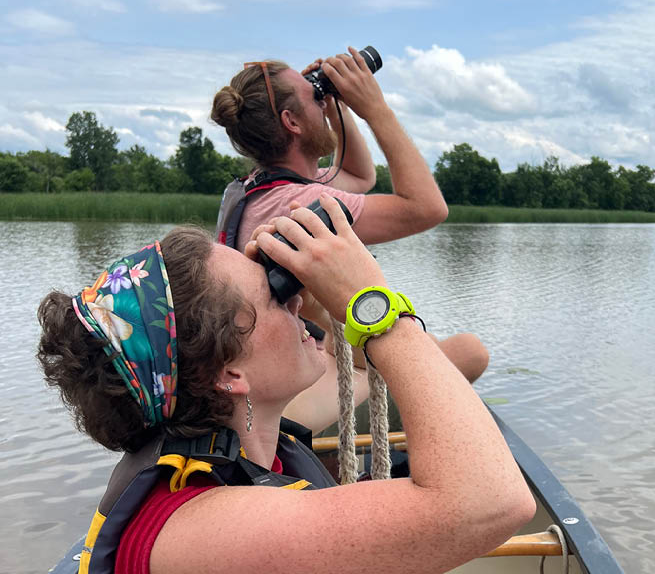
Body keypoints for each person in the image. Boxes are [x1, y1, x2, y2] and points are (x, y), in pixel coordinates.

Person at [38, 195, 535, 574]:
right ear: (229, 375)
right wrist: (370, 300)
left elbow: (341, 360)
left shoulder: (246, 447)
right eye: (274, 296)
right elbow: (493, 501)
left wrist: (314, 288)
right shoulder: (203, 529)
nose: (295, 301)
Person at [210, 47, 488, 432]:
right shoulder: (302, 203)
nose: (321, 99)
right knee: (468, 352)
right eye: (314, 96)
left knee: (428, 346)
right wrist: (375, 108)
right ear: (292, 121)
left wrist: (336, 108)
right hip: (297, 401)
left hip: (270, 372)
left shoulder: (251, 190)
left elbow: (360, 177)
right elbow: (427, 208)